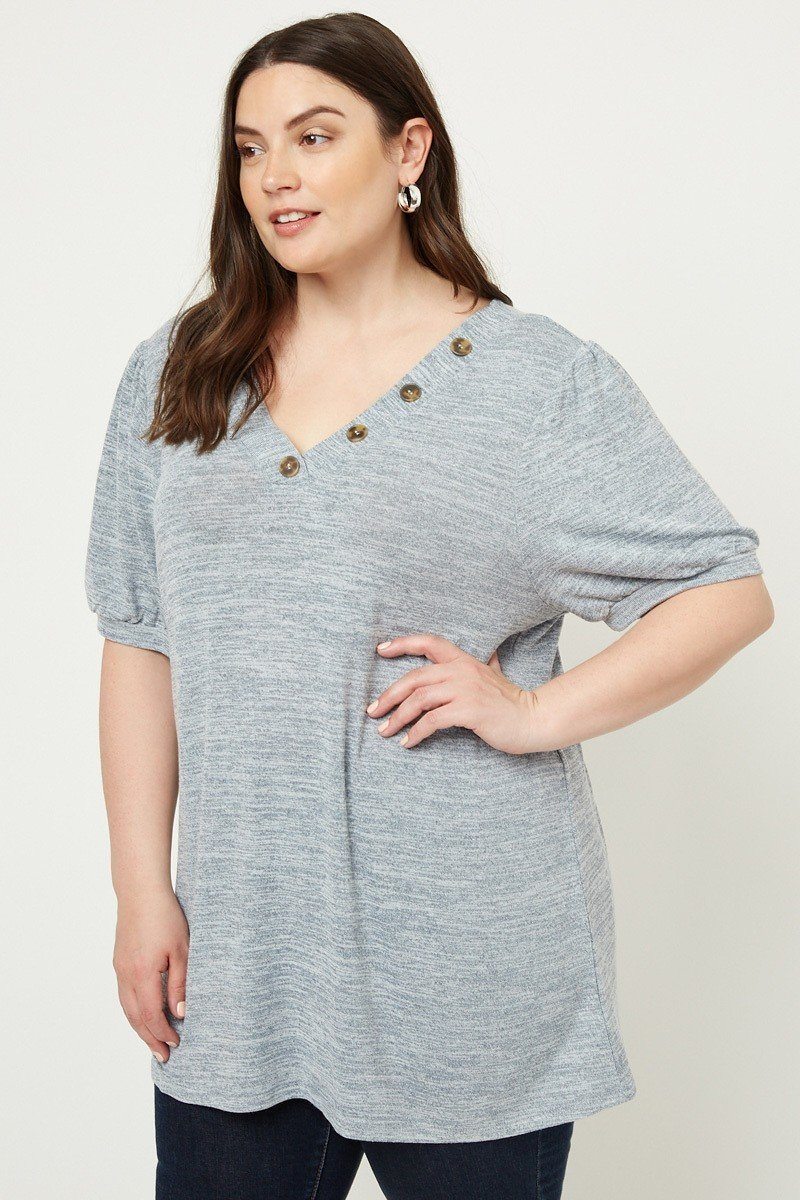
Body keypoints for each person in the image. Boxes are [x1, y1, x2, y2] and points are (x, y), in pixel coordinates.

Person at [83, 13, 774, 1200]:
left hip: (467, 971)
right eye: (250, 148)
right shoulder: (178, 371)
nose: (275, 176)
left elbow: (723, 590)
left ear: (408, 150)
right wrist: (141, 891)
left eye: (313, 137)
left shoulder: (534, 384)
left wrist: (533, 712)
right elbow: (139, 638)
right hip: (239, 962)